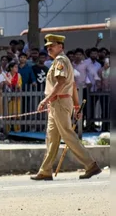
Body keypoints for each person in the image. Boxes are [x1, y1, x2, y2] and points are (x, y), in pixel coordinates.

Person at [31, 34, 101, 181]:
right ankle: (45, 170)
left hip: (60, 102)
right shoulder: (59, 61)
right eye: (48, 46)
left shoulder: (61, 60)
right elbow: (73, 85)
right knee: (52, 137)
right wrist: (76, 106)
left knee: (67, 135)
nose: (49, 47)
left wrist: (46, 99)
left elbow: (61, 82)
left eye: (52, 45)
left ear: (60, 46)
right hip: (57, 103)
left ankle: (90, 164)